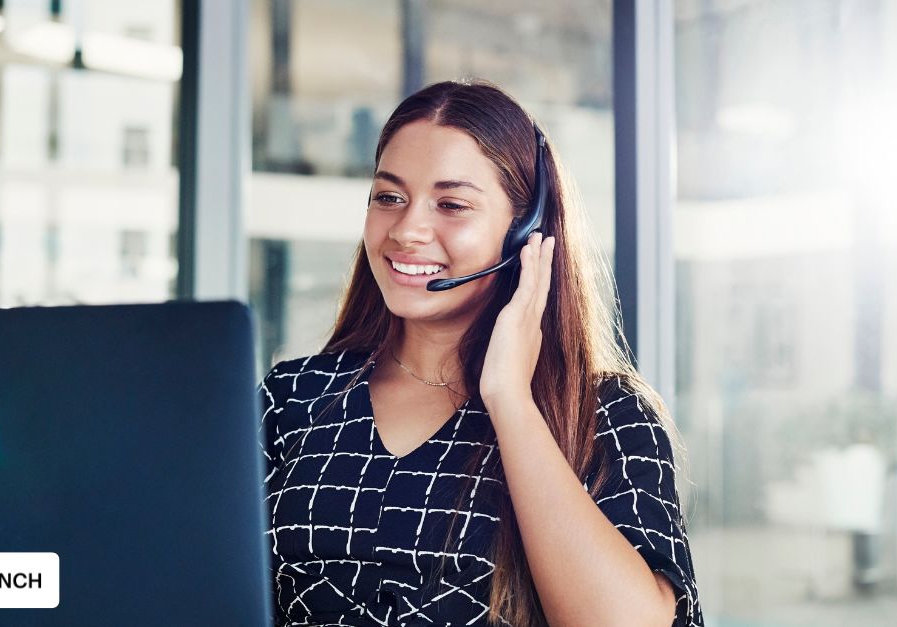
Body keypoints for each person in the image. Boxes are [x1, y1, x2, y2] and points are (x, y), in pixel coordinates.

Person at [257, 79, 702, 626]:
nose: (407, 230)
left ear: (524, 232)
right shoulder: (293, 401)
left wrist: (510, 400)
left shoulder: (606, 415)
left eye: (452, 204)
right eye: (389, 197)